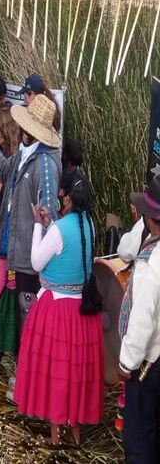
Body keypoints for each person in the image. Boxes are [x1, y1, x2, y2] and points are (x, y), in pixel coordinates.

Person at [13, 169, 103, 446]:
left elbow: (37, 262)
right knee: (76, 375)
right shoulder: (89, 224)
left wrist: (40, 225)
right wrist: (50, 223)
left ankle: (56, 437)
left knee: (57, 376)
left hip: (57, 313)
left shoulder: (58, 229)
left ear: (66, 198)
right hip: (82, 315)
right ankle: (75, 435)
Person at [0, 94, 61, 342]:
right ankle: (22, 369)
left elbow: (48, 215)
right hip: (19, 250)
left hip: (29, 256)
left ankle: (26, 372)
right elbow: (5, 169)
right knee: (21, 316)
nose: (22, 129)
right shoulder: (25, 152)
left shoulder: (45, 164)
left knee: (28, 319)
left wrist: (40, 250)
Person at [118, 176, 160, 463]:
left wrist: (125, 363)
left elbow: (143, 320)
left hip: (150, 366)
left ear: (148, 218)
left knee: (140, 438)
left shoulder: (150, 262)